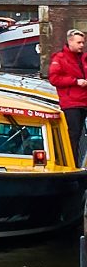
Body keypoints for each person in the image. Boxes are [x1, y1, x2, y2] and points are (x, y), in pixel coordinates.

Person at [50, 29, 87, 169]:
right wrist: (75, 81)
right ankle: (72, 164)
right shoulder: (59, 58)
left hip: (84, 100)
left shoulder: (83, 58)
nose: (82, 45)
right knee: (74, 134)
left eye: (83, 42)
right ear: (70, 41)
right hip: (71, 102)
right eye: (79, 42)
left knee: (78, 134)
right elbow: (54, 78)